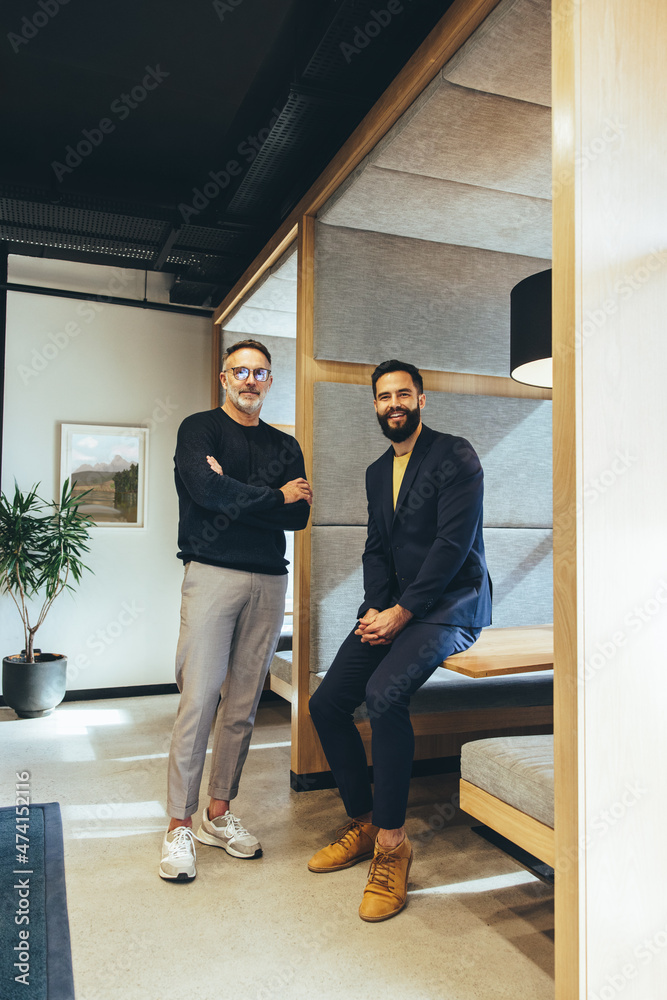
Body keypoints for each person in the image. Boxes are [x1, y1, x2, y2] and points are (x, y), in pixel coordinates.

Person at [308, 359, 491, 921]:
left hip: (449, 607)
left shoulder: (454, 454)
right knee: (328, 702)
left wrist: (404, 611)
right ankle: (364, 822)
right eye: (384, 396)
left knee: (386, 693)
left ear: (421, 400)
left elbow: (451, 546)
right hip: (395, 609)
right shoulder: (374, 472)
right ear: (374, 404)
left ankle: (393, 846)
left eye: (403, 394)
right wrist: (375, 609)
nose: (394, 404)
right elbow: (376, 549)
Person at [160, 338, 312, 881]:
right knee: (198, 700)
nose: (251, 380)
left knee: (243, 706)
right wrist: (274, 497)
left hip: (270, 581)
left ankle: (217, 814)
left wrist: (237, 489)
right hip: (212, 572)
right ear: (224, 378)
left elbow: (298, 520)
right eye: (240, 371)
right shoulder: (197, 429)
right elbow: (205, 492)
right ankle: (179, 823)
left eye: (261, 373)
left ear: (270, 382)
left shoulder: (285, 444)